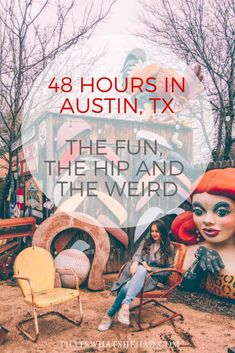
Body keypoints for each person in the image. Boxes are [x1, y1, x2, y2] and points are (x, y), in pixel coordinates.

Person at [98, 220, 175, 331]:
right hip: (135, 274)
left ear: (162, 232)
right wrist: (135, 262)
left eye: (157, 231)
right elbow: (137, 255)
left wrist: (150, 268)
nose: (154, 234)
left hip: (151, 278)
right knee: (140, 269)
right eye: (152, 231)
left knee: (127, 285)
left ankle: (110, 313)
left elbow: (169, 270)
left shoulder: (169, 248)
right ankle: (125, 307)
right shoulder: (146, 242)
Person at [171, 168, 235, 300]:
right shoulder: (183, 252)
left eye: (221, 212)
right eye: (199, 212)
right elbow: (177, 285)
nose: (207, 220)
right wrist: (198, 265)